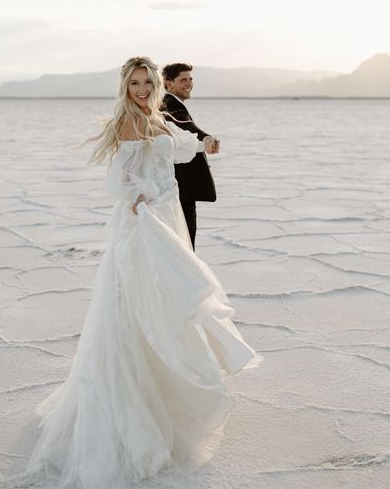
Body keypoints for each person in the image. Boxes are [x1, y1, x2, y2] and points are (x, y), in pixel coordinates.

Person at [26, 57, 262, 489]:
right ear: (125, 86)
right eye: (133, 82)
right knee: (142, 304)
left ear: (156, 84)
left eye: (146, 81)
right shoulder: (130, 123)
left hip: (166, 214)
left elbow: (181, 149)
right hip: (145, 224)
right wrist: (141, 204)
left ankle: (166, 391)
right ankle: (134, 406)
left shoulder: (158, 116)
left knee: (166, 302)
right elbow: (121, 180)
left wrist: (204, 142)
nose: (139, 88)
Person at [161, 63, 219, 250]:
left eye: (190, 79)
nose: (189, 84)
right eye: (183, 80)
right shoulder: (170, 105)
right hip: (182, 185)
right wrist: (206, 139)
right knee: (185, 239)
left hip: (179, 184)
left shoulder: (172, 104)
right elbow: (185, 125)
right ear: (168, 84)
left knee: (182, 238)